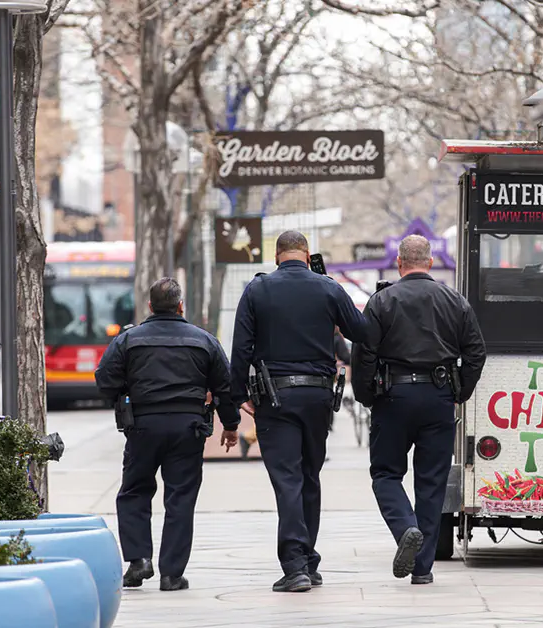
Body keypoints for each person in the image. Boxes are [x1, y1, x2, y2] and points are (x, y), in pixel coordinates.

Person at [230, 230, 367, 593]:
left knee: (287, 479)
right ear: (307, 255)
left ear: (277, 256)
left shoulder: (256, 290)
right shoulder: (328, 288)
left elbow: (240, 348)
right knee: (310, 475)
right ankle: (308, 560)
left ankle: (295, 566)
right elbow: (361, 331)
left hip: (275, 399)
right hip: (319, 399)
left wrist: (238, 396)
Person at [352, 235, 487, 585]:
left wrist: (367, 395)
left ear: (399, 263)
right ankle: (423, 568)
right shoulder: (455, 301)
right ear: (429, 263)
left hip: (393, 396)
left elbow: (364, 352)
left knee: (385, 474)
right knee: (431, 484)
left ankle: (405, 529)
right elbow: (476, 353)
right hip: (439, 397)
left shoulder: (381, 301)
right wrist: (460, 392)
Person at [95, 277, 240, 592]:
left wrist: (125, 394)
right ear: (180, 306)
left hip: (143, 426)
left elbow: (105, 380)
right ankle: (172, 574)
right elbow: (225, 387)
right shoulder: (204, 340)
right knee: (180, 498)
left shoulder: (128, 340)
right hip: (188, 428)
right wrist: (230, 425)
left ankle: (138, 560)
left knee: (134, 491)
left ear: (150, 306)